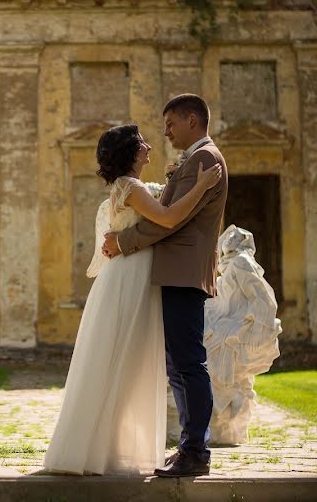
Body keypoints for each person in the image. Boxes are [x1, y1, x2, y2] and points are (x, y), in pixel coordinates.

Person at [42, 121, 222, 476]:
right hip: (131, 275)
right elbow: (168, 219)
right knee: (126, 356)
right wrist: (200, 185)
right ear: (130, 151)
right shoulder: (131, 186)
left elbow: (153, 217)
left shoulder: (128, 185)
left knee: (125, 359)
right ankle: (108, 447)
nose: (150, 148)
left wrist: (173, 182)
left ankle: (106, 446)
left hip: (132, 271)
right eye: (142, 144)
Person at [102, 93, 228, 477]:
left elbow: (167, 222)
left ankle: (196, 452)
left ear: (193, 120)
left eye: (171, 124)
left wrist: (122, 242)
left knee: (189, 364)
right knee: (179, 364)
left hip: (182, 271)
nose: (166, 132)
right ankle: (191, 445)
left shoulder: (205, 159)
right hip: (177, 270)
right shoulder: (196, 160)